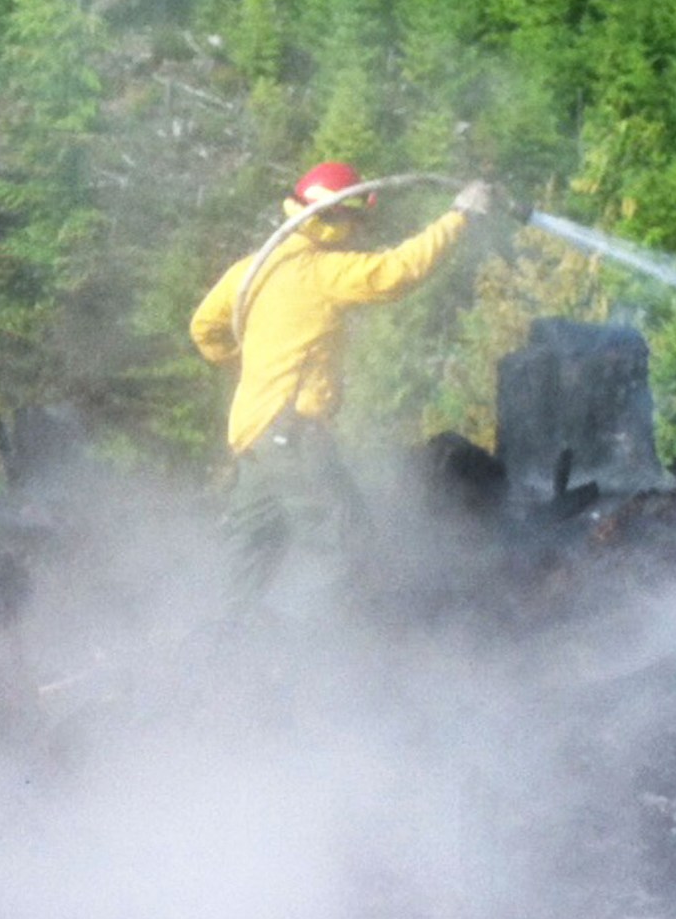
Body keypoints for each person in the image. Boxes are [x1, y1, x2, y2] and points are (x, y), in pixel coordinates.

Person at [190, 165, 495, 606]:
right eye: (356, 219)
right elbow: (396, 272)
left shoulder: (251, 270)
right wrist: (459, 217)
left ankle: (222, 639)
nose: (359, 230)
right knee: (350, 545)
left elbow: (204, 328)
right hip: (290, 431)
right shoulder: (319, 271)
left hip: (253, 435)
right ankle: (360, 640)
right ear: (333, 216)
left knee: (249, 555)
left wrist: (252, 369)